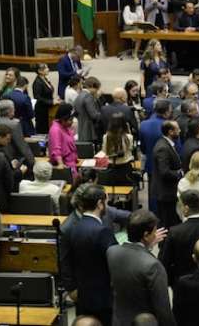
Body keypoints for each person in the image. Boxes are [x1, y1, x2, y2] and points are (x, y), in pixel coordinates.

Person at [106, 209, 173, 326]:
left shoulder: (112, 252)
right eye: (154, 232)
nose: (156, 234)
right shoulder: (153, 266)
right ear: (146, 235)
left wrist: (147, 246)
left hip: (118, 320)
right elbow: (163, 309)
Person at [68, 185, 118, 325]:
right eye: (106, 202)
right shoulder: (102, 231)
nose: (107, 206)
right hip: (102, 298)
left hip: (82, 295)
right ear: (99, 204)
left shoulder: (73, 227)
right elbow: (116, 261)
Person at [150, 120, 183, 228]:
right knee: (167, 223)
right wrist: (180, 173)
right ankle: (164, 244)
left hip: (167, 191)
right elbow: (164, 172)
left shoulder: (166, 144)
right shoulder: (163, 148)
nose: (180, 131)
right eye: (177, 129)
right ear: (170, 132)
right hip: (165, 192)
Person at [48, 103, 78, 174]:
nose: (71, 122)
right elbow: (56, 149)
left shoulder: (65, 128)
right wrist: (60, 164)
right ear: (62, 119)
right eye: (70, 120)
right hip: (65, 166)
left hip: (72, 164)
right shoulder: (55, 129)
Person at [74, 77, 102, 144]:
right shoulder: (88, 97)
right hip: (89, 131)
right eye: (97, 89)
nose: (97, 91)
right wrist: (104, 113)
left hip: (81, 129)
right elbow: (94, 115)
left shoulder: (79, 95)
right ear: (92, 86)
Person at [32, 63, 57, 134]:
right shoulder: (37, 82)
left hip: (47, 108)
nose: (48, 69)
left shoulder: (45, 79)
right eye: (46, 68)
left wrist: (54, 100)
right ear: (40, 71)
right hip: (41, 110)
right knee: (42, 129)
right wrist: (51, 102)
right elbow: (37, 97)